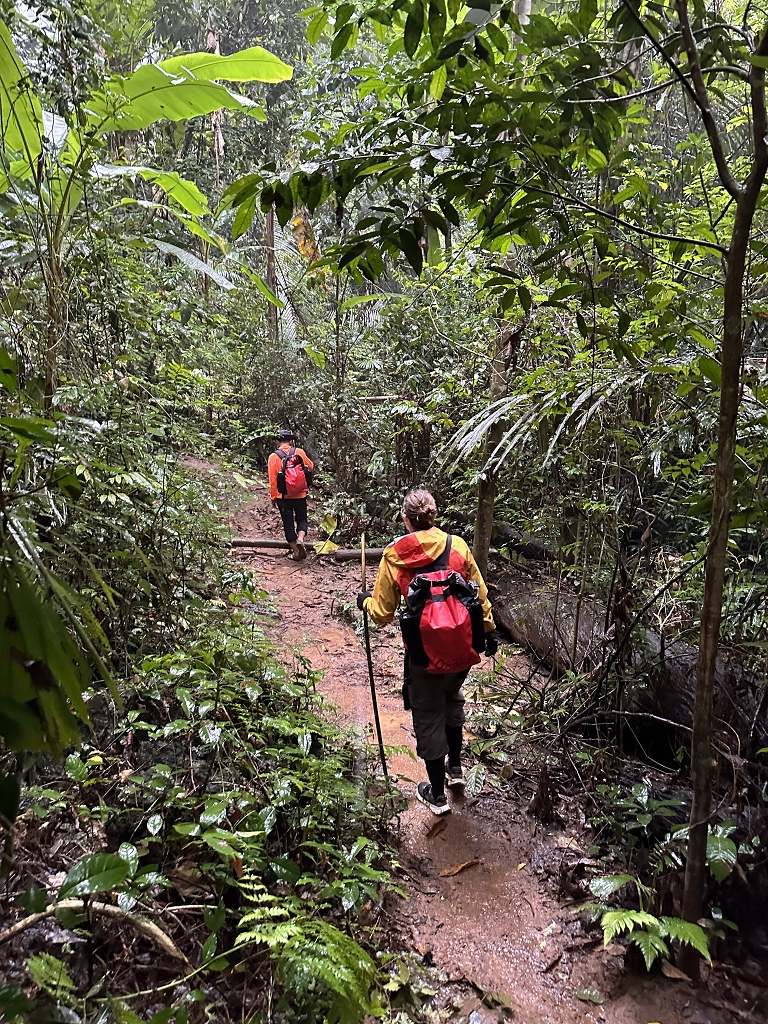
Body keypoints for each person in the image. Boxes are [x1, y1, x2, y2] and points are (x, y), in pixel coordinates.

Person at [357, 489, 498, 814]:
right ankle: (455, 769)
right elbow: (480, 596)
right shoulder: (458, 547)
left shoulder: (394, 555)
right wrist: (489, 632)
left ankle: (435, 793)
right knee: (451, 699)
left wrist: (365, 600)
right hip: (462, 647)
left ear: (406, 519)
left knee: (428, 712)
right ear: (434, 516)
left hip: (422, 652)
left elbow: (381, 614)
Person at [268, 428, 314, 560]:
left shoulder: (273, 457)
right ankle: (300, 539)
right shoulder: (299, 452)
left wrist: (273, 497)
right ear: (291, 441)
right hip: (300, 494)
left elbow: (272, 480)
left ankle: (296, 552)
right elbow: (310, 467)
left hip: (283, 496)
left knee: (288, 524)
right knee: (302, 518)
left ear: (277, 441)